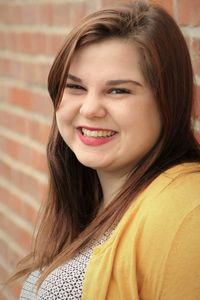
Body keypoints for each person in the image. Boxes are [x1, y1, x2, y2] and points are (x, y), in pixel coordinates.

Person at [10, 1, 200, 299]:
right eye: (76, 87)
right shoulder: (90, 200)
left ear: (167, 101)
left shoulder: (189, 214)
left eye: (118, 90)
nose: (89, 109)